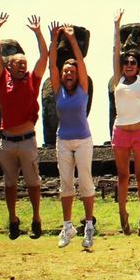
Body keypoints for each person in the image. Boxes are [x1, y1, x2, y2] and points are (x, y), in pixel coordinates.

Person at [0, 13, 50, 239]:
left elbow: (44, 56)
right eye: (19, 64)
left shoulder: (32, 80)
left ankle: (36, 218)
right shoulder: (2, 78)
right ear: (10, 66)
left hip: (27, 140)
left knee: (33, 182)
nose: (23, 67)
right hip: (6, 142)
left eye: (25, 64)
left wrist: (38, 33)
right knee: (10, 184)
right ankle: (13, 219)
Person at [48, 22, 95, 249]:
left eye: (72, 72)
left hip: (83, 140)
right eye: (66, 71)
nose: (68, 74)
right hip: (63, 140)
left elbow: (81, 62)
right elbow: (51, 67)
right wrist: (53, 39)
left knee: (85, 182)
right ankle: (67, 227)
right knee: (65, 184)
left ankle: (88, 227)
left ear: (77, 76)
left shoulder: (83, 88)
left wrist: (72, 39)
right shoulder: (58, 90)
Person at [110, 9, 140, 236]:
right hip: (121, 133)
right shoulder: (118, 80)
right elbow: (116, 49)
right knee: (123, 176)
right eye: (125, 61)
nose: (129, 63)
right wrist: (116, 25)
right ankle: (122, 213)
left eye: (132, 61)